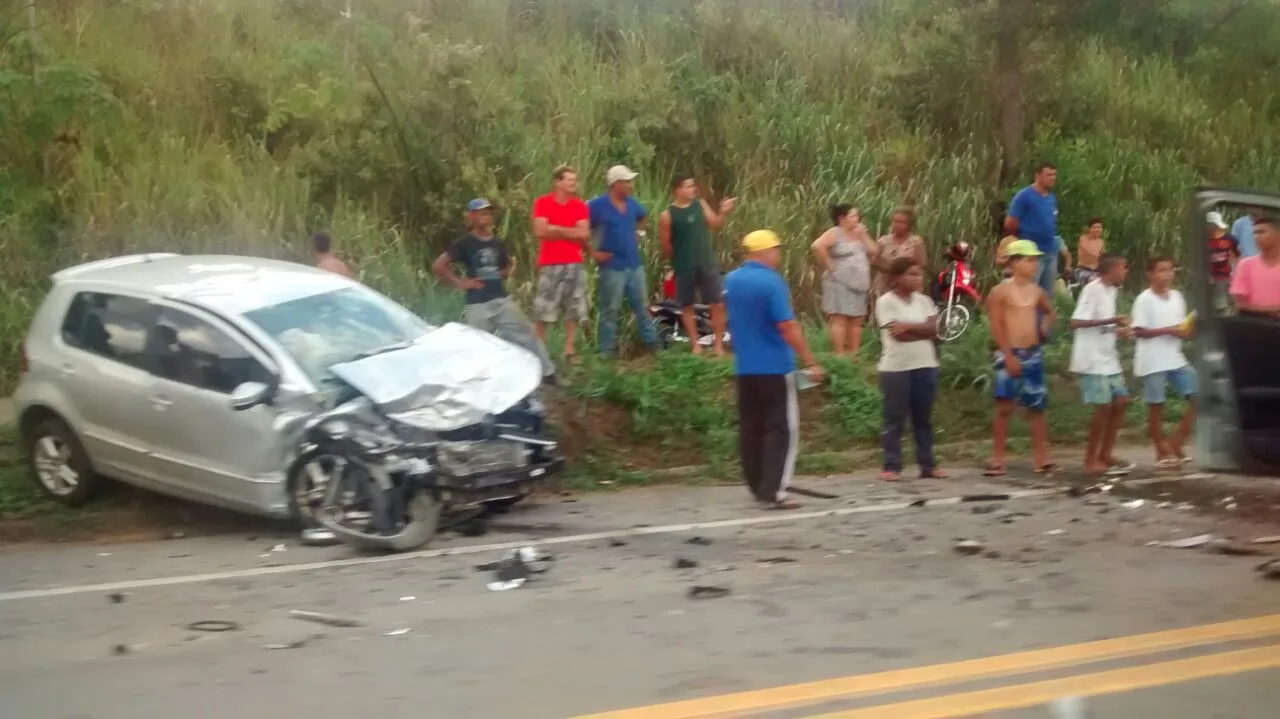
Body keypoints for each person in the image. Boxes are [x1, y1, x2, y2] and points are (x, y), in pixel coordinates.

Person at [724, 229, 824, 510]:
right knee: (781, 429)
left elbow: (727, 315)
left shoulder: (731, 280)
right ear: (764, 252)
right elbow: (786, 325)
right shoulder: (771, 282)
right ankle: (775, 490)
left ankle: (758, 486)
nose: (779, 255)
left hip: (745, 367)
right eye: (776, 249)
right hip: (775, 365)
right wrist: (810, 361)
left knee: (751, 428)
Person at [432, 199, 555, 382]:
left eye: (488, 213)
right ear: (471, 216)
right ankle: (479, 383)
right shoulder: (464, 243)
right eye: (481, 213)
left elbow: (506, 267)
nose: (486, 216)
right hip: (477, 303)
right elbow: (438, 266)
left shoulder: (497, 243)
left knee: (528, 333)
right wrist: (460, 282)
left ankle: (547, 373)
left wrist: (506, 270)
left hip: (500, 299)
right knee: (477, 346)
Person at [984, 240, 1058, 477]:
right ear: (1014, 262)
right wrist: (1007, 356)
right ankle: (997, 457)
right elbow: (996, 326)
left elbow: (1050, 312)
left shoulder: (1037, 291)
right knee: (1005, 406)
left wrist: (1044, 329)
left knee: (1037, 406)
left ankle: (1041, 456)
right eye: (1029, 259)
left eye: (1035, 259)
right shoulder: (1000, 291)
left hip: (1032, 353)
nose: (1034, 264)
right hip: (1010, 352)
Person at [875, 257, 946, 482]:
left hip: (926, 364)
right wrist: (922, 330)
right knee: (894, 418)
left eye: (919, 274)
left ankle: (927, 464)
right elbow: (898, 335)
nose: (917, 278)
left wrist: (909, 326)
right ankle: (891, 465)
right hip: (896, 368)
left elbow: (936, 329)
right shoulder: (886, 302)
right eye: (911, 274)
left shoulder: (925, 301)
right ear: (897, 277)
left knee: (923, 418)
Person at [1070, 253, 1136, 476]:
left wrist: (1119, 331)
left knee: (1121, 402)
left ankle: (1105, 453)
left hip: (1109, 358)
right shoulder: (1093, 289)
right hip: (1092, 359)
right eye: (1123, 267)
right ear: (1111, 270)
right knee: (1103, 407)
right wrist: (1112, 320)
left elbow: (1102, 327)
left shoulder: (1112, 291)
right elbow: (1076, 322)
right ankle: (1090, 458)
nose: (1126, 272)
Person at [657, 174, 736, 356]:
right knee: (687, 305)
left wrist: (723, 211)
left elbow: (715, 224)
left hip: (706, 262)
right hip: (684, 265)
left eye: (693, 185)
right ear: (678, 190)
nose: (693, 188)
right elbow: (666, 244)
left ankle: (717, 345)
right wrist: (678, 260)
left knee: (717, 303)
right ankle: (695, 345)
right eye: (688, 186)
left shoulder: (700, 205)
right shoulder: (667, 215)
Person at [589, 165, 661, 357]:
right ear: (615, 184)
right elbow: (583, 229)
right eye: (627, 182)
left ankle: (653, 345)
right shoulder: (597, 206)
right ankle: (606, 351)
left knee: (642, 307)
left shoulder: (631, 203)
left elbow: (643, 215)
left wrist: (639, 232)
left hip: (634, 264)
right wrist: (593, 252)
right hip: (611, 266)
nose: (630, 185)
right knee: (609, 310)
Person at [1131, 256, 1197, 468]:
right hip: (1153, 360)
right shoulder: (1144, 299)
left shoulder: (1177, 296)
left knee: (1199, 395)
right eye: (1161, 270)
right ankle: (1161, 451)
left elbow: (1181, 326)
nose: (1167, 274)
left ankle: (1176, 442)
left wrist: (1185, 331)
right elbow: (1139, 331)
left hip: (1175, 357)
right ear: (1150, 274)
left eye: (1169, 270)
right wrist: (1169, 330)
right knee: (1156, 406)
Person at [532, 165, 591, 360]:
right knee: (544, 306)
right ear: (558, 182)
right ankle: (538, 347)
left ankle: (569, 347)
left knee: (574, 306)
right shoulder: (542, 203)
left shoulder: (580, 205)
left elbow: (583, 233)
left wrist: (555, 229)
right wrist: (568, 231)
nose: (574, 183)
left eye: (575, 180)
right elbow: (540, 231)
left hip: (574, 262)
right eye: (569, 180)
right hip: (550, 262)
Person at [812, 203, 877, 357]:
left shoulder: (859, 233)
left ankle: (854, 353)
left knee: (857, 318)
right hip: (839, 282)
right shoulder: (835, 233)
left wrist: (863, 235)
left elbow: (874, 250)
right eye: (853, 216)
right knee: (839, 318)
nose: (857, 219)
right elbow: (817, 246)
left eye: (857, 216)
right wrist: (829, 265)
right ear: (842, 218)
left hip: (859, 282)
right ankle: (839, 353)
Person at [1005, 162, 1060, 296]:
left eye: (1054, 175)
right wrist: (1024, 238)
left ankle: (1041, 318)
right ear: (1038, 175)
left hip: (1050, 252)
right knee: (1028, 293)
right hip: (1031, 254)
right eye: (1048, 175)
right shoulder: (1024, 196)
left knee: (1045, 296)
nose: (1052, 178)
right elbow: (1010, 223)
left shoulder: (1051, 198)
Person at [1228, 212, 1280, 317]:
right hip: (1255, 325)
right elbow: (1240, 304)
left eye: (1261, 232)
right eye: (1254, 233)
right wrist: (1272, 310)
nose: (1256, 237)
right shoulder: (1246, 265)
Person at [874, 206, 927, 298]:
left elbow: (922, 263)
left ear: (909, 224)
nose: (897, 225)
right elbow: (874, 260)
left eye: (901, 222)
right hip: (885, 286)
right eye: (895, 221)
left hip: (908, 289)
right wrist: (891, 267)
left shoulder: (916, 242)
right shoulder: (883, 241)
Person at [1206, 210, 1240, 312]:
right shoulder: (1204, 241)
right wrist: (1208, 276)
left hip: (1229, 275)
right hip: (1215, 278)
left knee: (1234, 303)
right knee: (1221, 306)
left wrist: (1236, 272)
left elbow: (1238, 255)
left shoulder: (1230, 239)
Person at [1075, 218, 1104, 284]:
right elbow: (1091, 253)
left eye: (1100, 227)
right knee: (1094, 281)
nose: (1097, 229)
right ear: (1089, 229)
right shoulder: (1083, 238)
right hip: (1082, 269)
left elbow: (1104, 258)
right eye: (1095, 227)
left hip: (1096, 271)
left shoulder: (1101, 242)